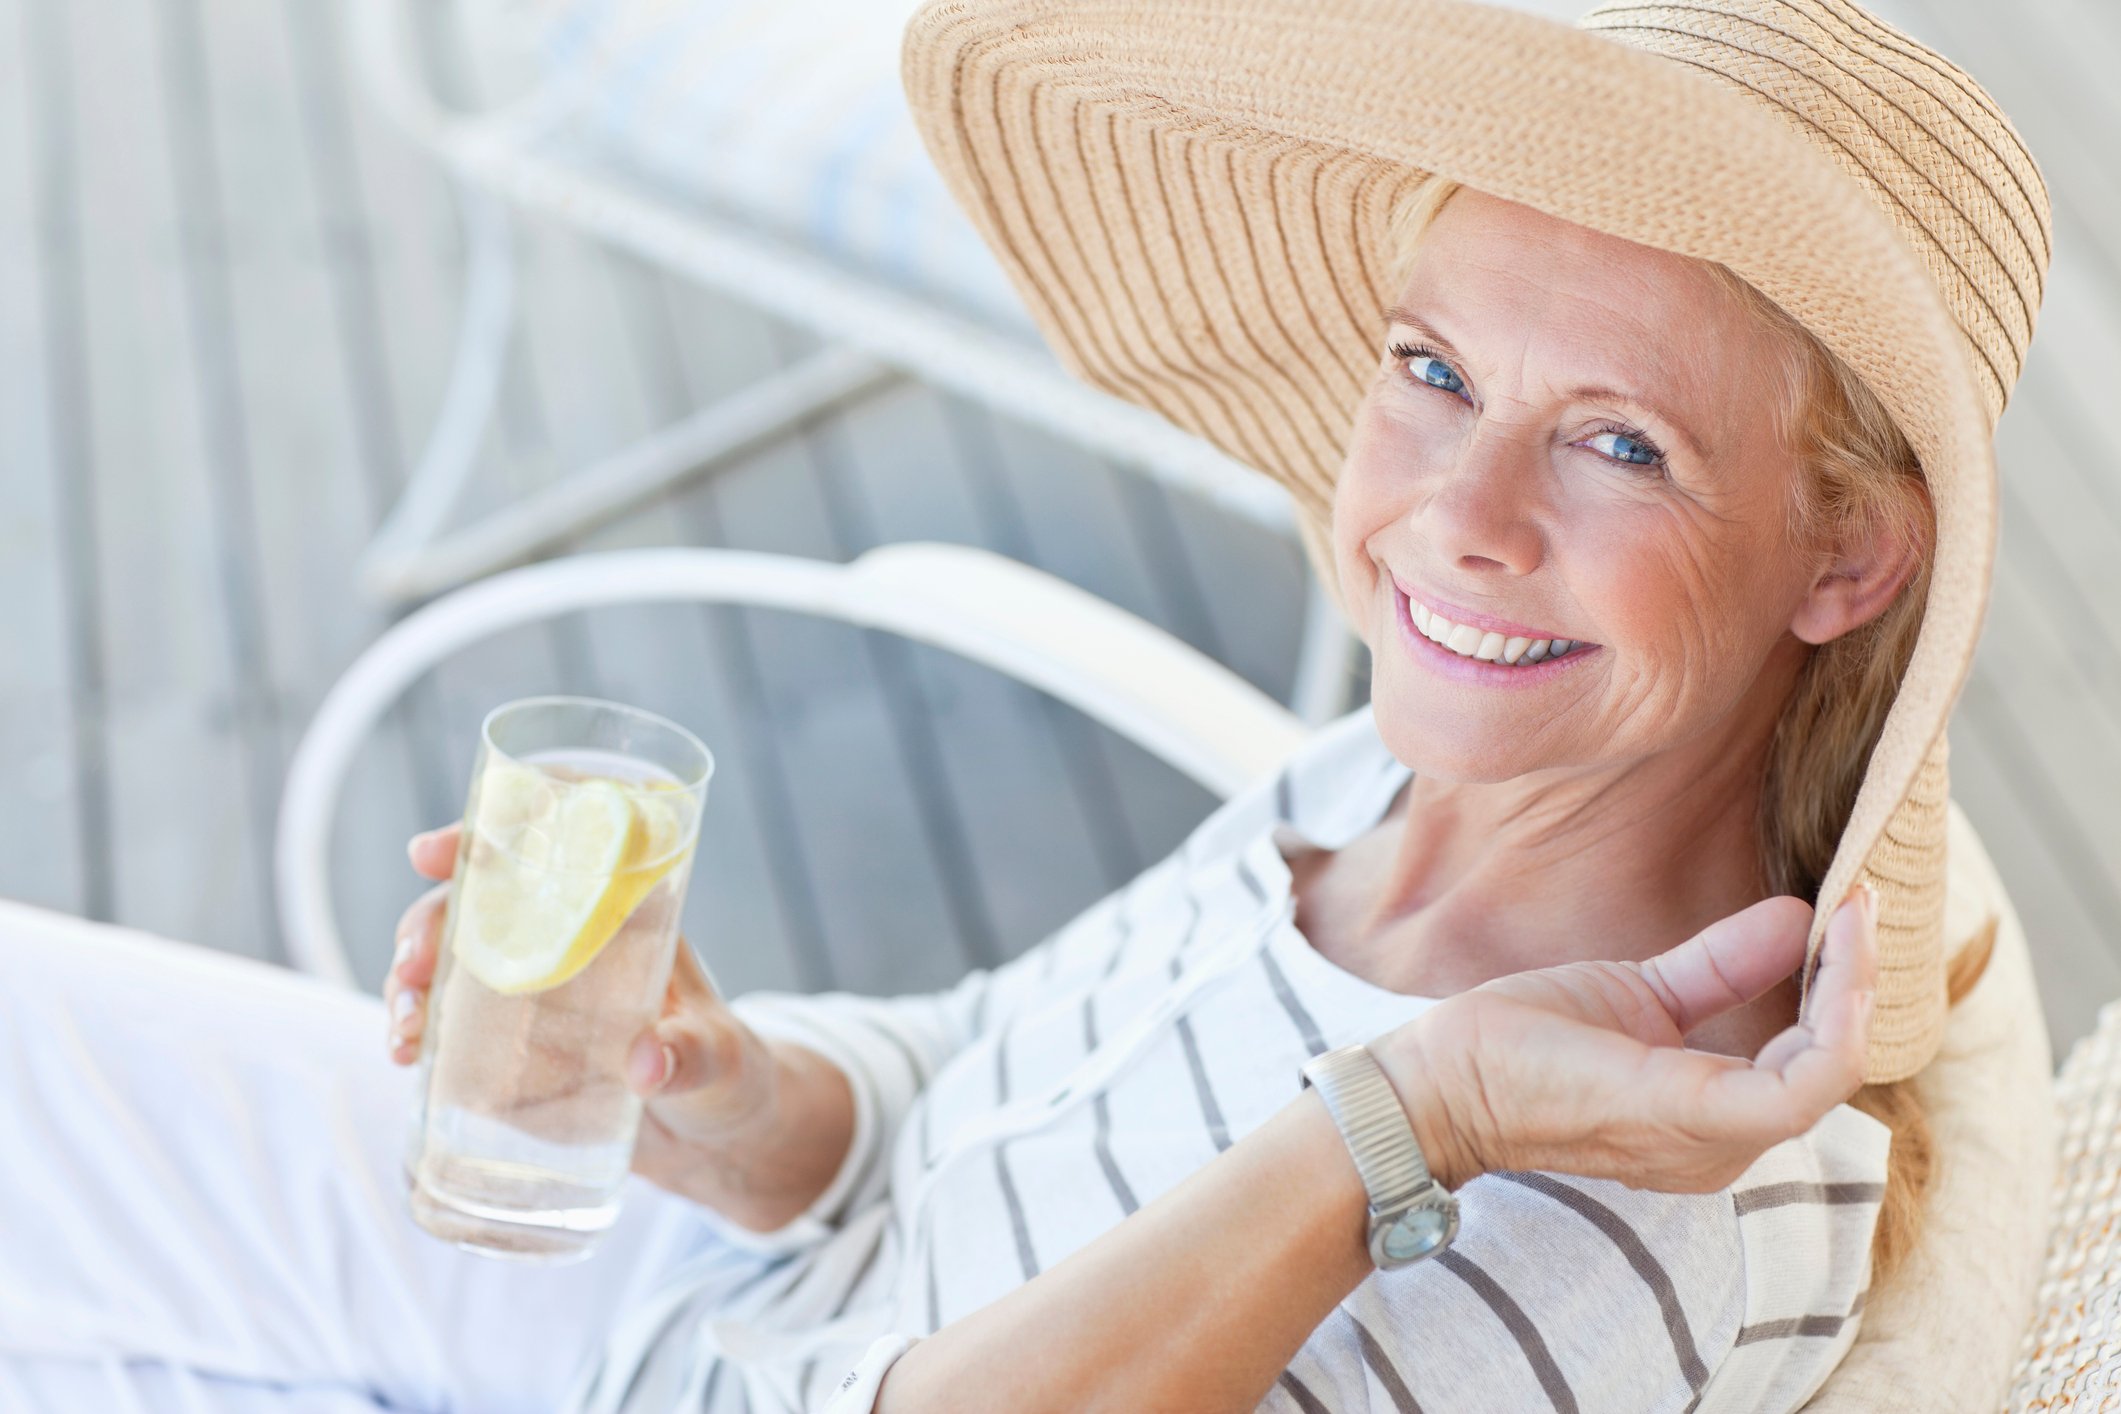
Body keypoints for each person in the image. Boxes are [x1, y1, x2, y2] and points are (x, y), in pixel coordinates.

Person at [0, 0, 2047, 1409]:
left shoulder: (1661, 1196)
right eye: (1429, 368)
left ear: (1843, 559)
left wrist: (1416, 1116)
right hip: (709, 1300)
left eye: (1615, 445)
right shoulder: (1410, 774)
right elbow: (984, 1080)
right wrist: (736, 1091)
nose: (1457, 515)